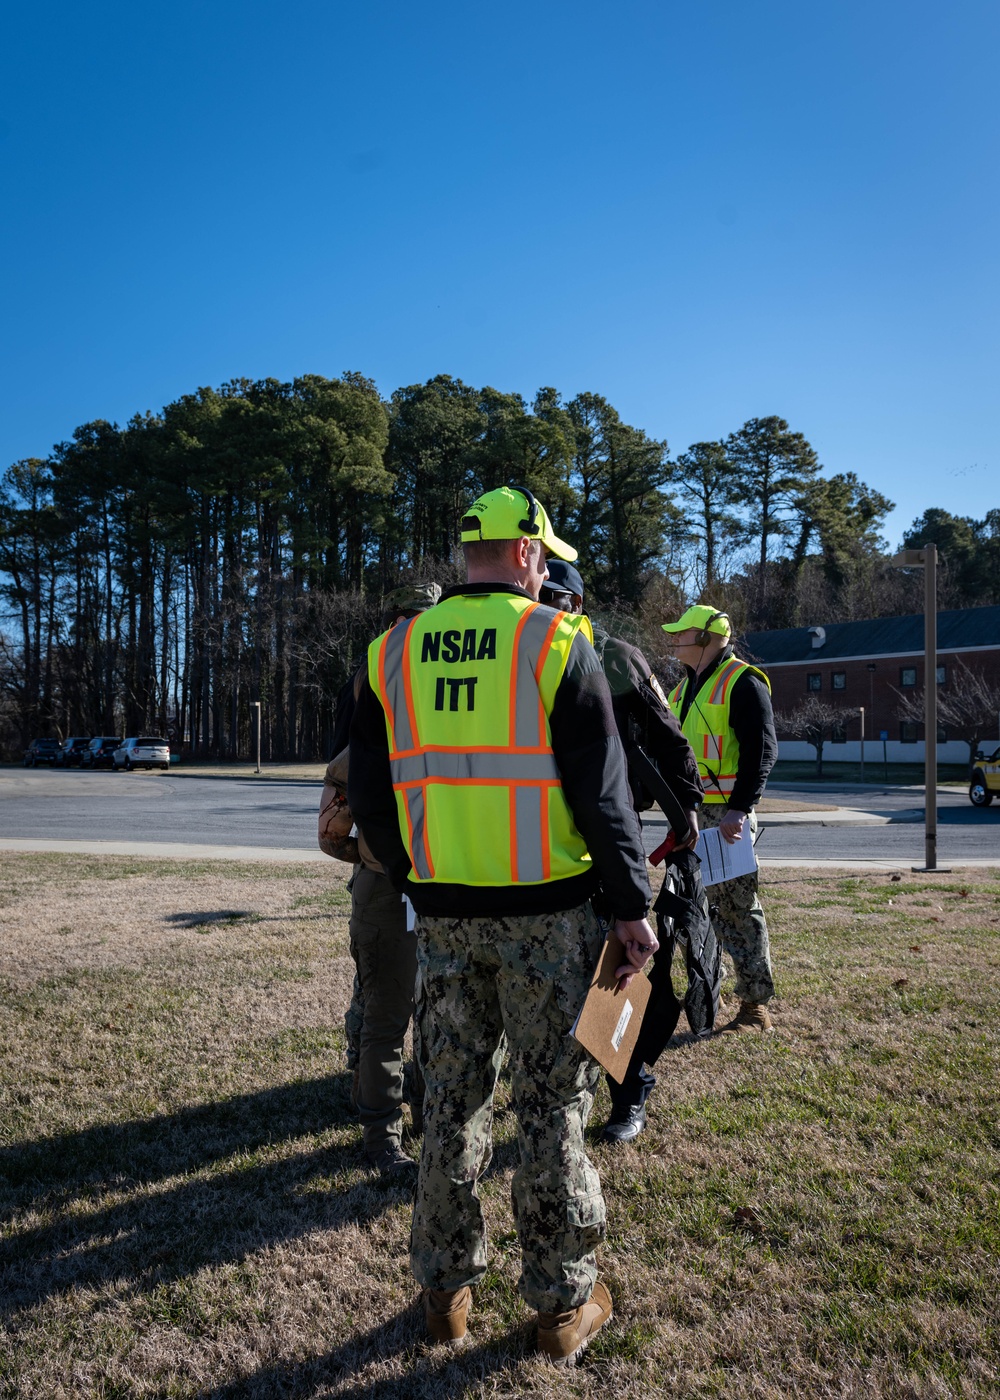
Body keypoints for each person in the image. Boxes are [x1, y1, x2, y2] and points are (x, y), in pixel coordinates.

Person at [349, 486, 657, 1365]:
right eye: (544, 554)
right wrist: (631, 908)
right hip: (550, 919)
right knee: (552, 1108)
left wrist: (417, 877)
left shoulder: (390, 652)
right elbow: (604, 798)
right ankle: (563, 1306)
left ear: (469, 553)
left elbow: (372, 801)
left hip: (443, 917)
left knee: (449, 1102)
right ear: (527, 553)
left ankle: (446, 1293)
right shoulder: (559, 643)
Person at [539, 560, 705, 1143]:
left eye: (554, 596)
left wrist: (686, 827)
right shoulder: (524, 651)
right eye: (538, 593)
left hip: (612, 828)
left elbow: (671, 742)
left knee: (621, 966)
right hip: (543, 835)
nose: (544, 603)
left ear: (577, 603)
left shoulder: (616, 657)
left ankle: (629, 1087)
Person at [318, 582, 441, 1175]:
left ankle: (423, 1110)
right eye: (414, 622)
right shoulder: (370, 687)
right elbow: (335, 809)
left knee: (437, 1013)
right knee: (386, 1015)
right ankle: (379, 1137)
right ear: (396, 622)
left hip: (442, 889)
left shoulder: (445, 694)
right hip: (392, 886)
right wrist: (377, 861)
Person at [660, 604, 778, 1032]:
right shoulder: (679, 691)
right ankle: (709, 992)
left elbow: (762, 751)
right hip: (690, 817)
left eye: (681, 634)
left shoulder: (743, 683)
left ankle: (754, 1006)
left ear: (707, 639)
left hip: (726, 818)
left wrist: (739, 810)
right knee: (698, 910)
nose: (674, 640)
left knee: (737, 909)